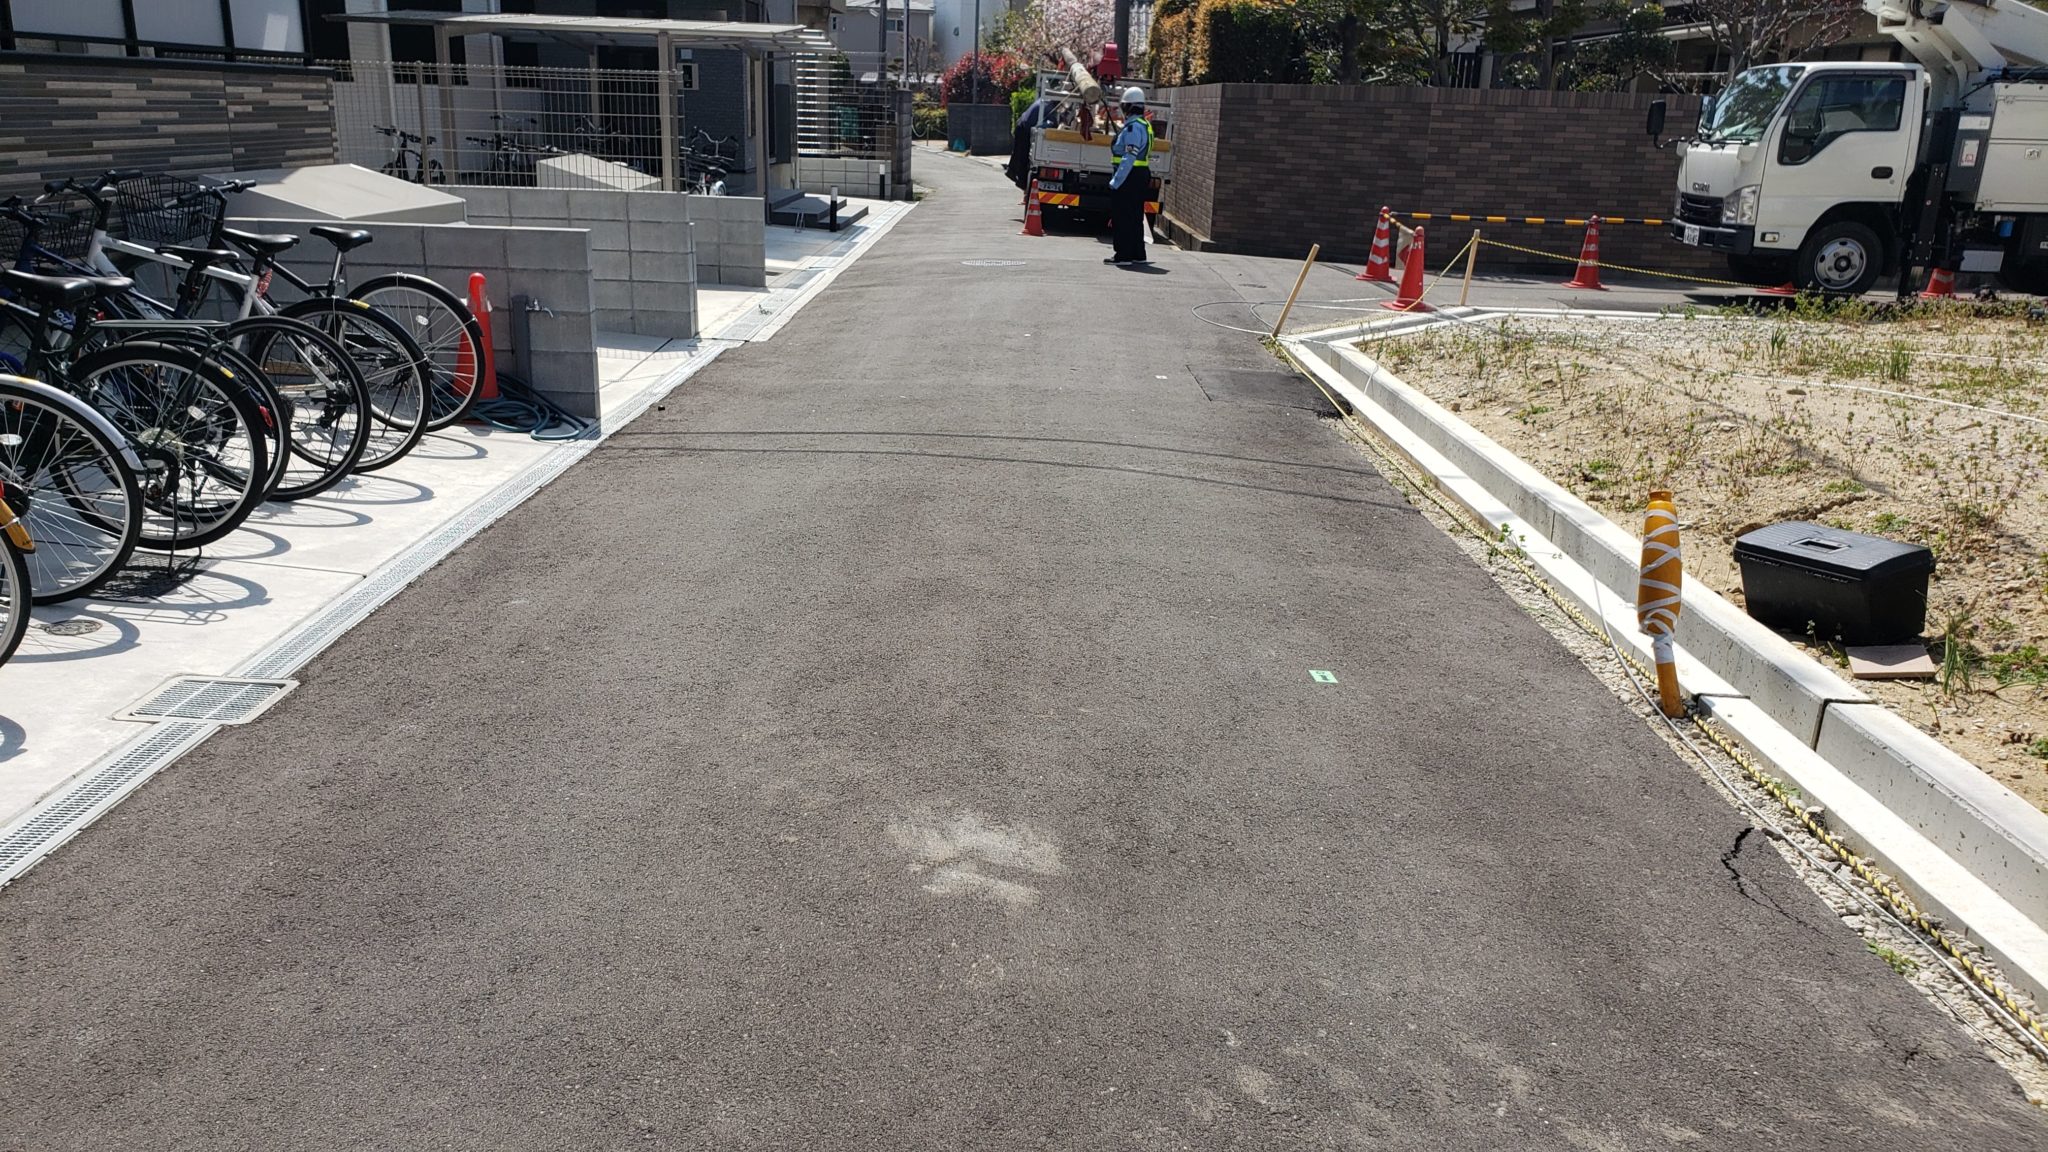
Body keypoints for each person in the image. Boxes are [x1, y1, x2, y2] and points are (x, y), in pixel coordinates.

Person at [1104, 87, 1153, 266]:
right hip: (1140, 175)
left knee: (1123, 216)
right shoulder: (1144, 125)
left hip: (1129, 176)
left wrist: (1116, 181)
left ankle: (1123, 255)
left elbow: (1129, 156)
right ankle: (1138, 254)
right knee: (1135, 216)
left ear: (1128, 107)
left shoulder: (1133, 128)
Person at [1007, 94, 1054, 190]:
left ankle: (1012, 172)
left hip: (1021, 124)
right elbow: (1052, 123)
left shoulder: (1043, 101)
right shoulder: (1049, 108)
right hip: (1026, 128)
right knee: (1024, 155)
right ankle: (1021, 181)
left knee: (1018, 152)